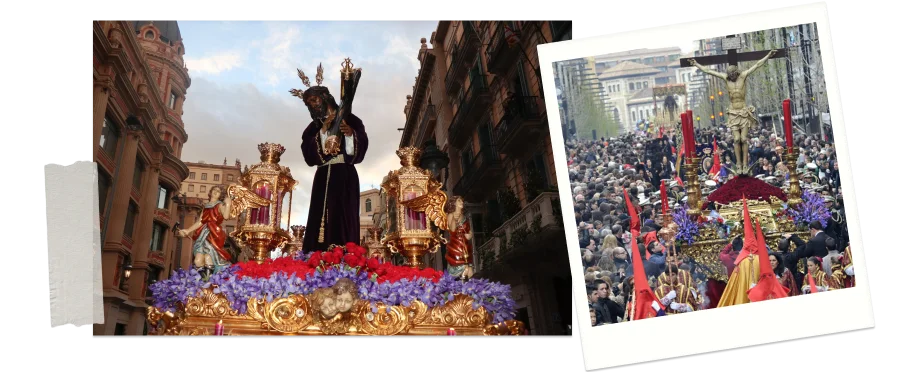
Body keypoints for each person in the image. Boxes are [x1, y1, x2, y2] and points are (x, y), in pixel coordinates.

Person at [299, 83, 369, 252]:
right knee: (319, 217)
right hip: (322, 175)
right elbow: (308, 154)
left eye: (314, 100)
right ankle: (316, 256)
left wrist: (350, 134)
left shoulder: (351, 119)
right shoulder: (313, 127)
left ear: (324, 97)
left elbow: (361, 147)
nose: (313, 105)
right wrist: (322, 131)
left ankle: (346, 256)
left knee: (344, 216)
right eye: (309, 103)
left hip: (345, 174)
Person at [689, 50, 777, 175]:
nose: (731, 76)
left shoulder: (743, 76)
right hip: (733, 112)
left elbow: (757, 65)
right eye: (729, 74)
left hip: (743, 111)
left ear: (736, 73)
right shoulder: (726, 79)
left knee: (743, 139)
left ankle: (745, 164)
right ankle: (739, 164)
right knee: (736, 139)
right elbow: (709, 71)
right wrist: (696, 64)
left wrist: (768, 56)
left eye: (732, 74)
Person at [178, 185, 234, 277]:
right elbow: (200, 221)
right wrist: (188, 230)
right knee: (198, 260)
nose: (215, 192)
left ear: (220, 195)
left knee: (209, 258)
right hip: (203, 233)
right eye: (214, 190)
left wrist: (228, 204)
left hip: (214, 233)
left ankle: (209, 283)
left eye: (218, 191)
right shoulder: (206, 206)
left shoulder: (219, 205)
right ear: (210, 192)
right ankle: (199, 281)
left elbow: (226, 216)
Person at [444, 196, 474, 279]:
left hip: (465, 245)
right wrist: (454, 219)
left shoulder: (464, 216)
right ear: (454, 203)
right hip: (456, 244)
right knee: (460, 265)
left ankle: (467, 285)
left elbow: (468, 230)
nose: (462, 202)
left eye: (462, 201)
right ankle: (459, 284)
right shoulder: (450, 215)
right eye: (459, 201)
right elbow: (452, 229)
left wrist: (470, 234)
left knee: (469, 268)